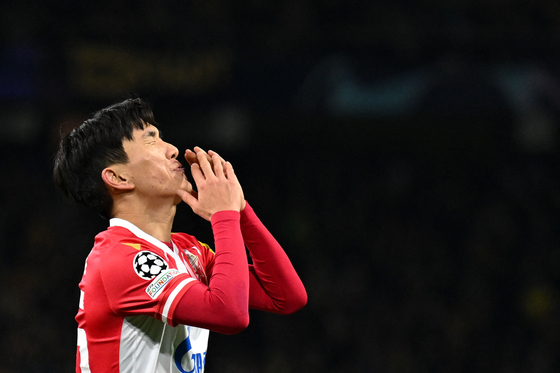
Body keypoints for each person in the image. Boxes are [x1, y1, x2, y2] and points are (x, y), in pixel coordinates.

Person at [53, 98, 307, 373]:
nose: (172, 149)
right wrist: (224, 215)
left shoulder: (188, 249)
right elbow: (230, 313)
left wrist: (240, 209)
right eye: (151, 140)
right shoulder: (118, 258)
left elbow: (286, 296)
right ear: (119, 178)